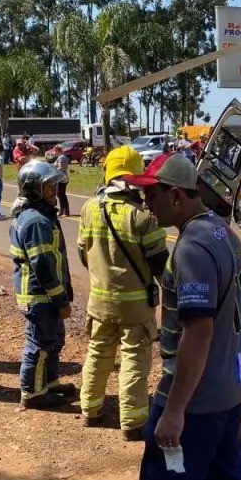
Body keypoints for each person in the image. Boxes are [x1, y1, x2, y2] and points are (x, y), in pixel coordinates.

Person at [92, 153, 241, 480]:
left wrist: (173, 411)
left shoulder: (190, 248)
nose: (146, 205)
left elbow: (198, 331)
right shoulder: (223, 233)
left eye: (151, 194)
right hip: (229, 390)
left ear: (176, 193)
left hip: (197, 402)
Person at [77, 147, 168, 441]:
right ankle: (132, 422)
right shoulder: (142, 217)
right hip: (135, 307)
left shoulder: (89, 208)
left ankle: (90, 410)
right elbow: (160, 267)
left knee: (98, 353)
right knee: (134, 359)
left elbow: (83, 253)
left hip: (99, 302)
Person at [9, 160, 77, 409]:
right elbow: (43, 265)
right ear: (35, 189)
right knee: (39, 344)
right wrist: (60, 299)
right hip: (40, 296)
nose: (54, 192)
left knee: (53, 341)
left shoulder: (42, 216)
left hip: (47, 295)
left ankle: (49, 383)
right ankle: (33, 393)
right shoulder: (36, 221)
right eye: (49, 187)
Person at [55, 147, 71, 217]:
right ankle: (61, 210)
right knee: (59, 194)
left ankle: (66, 211)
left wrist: (54, 171)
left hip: (62, 178)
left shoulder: (61, 157)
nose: (54, 152)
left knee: (61, 195)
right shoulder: (60, 157)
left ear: (57, 150)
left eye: (54, 151)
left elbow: (61, 168)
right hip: (59, 178)